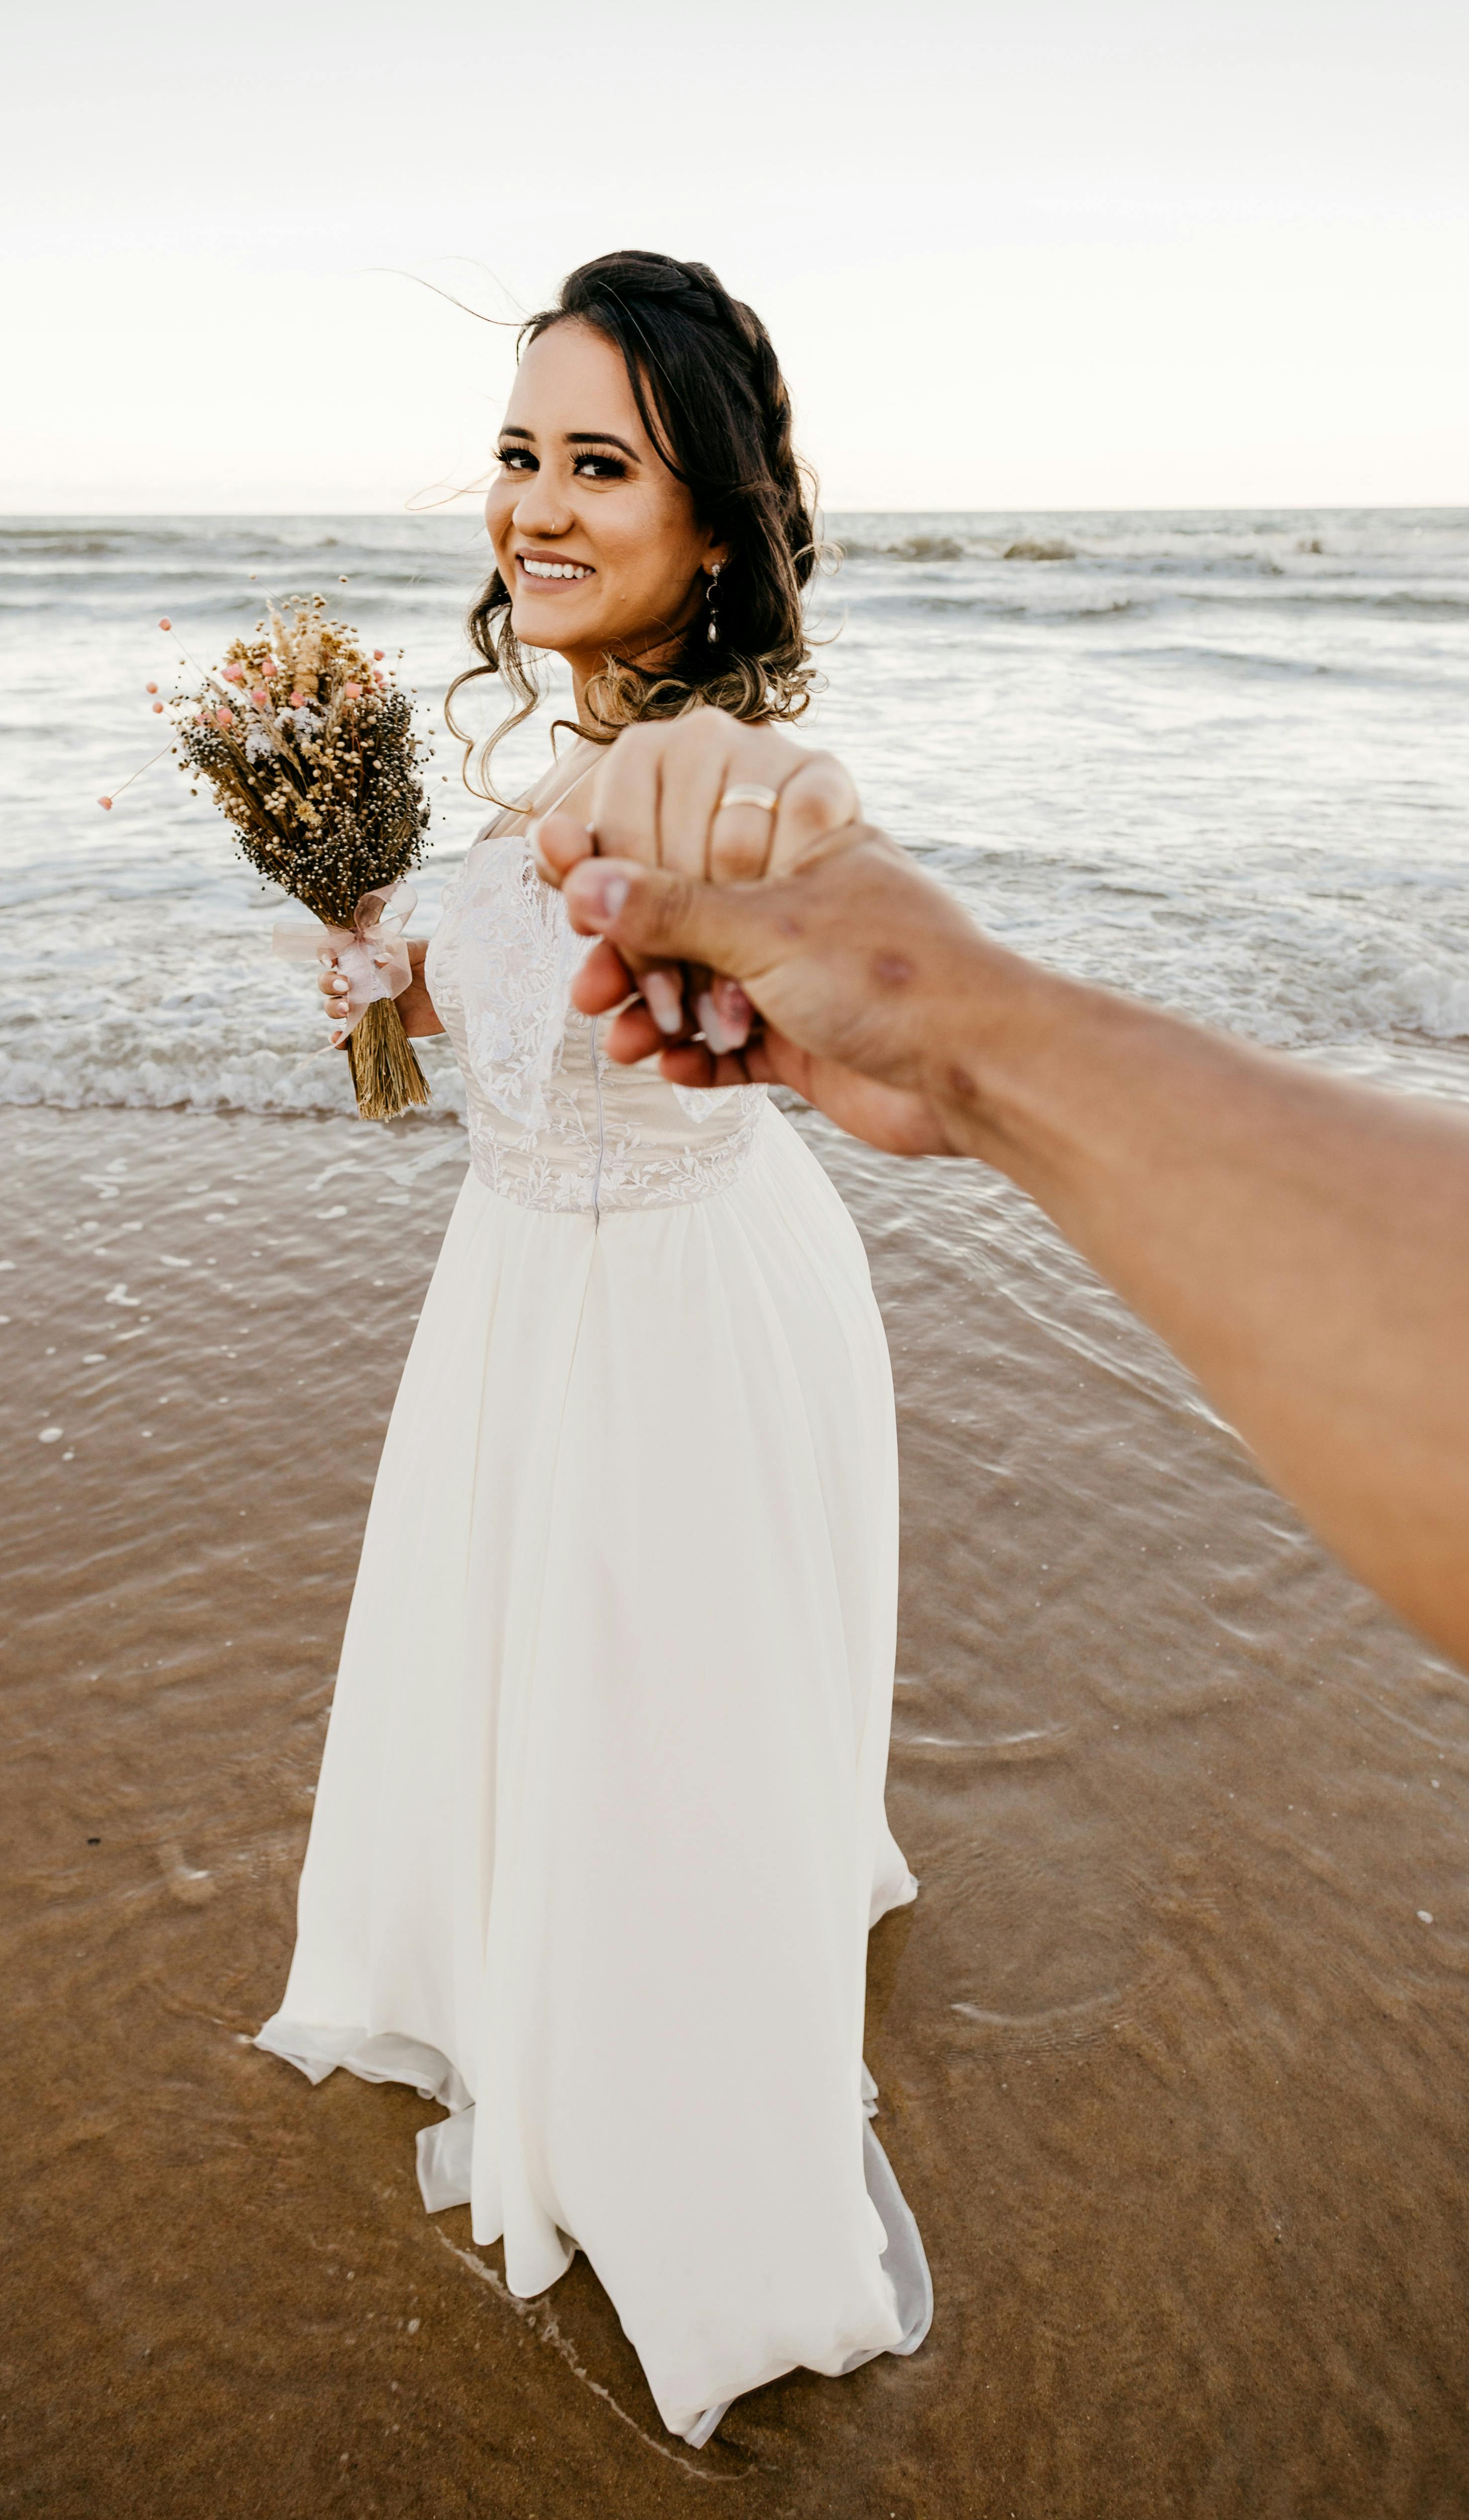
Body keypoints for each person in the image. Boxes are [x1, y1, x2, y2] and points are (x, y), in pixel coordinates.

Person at [255, 254, 932, 2448]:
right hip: (522, 1296)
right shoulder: (584, 743)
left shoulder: (726, 772)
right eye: (519, 454)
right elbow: (539, 1007)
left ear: (713, 522)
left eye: (599, 465)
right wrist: (398, 963)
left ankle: (676, 2125)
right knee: (546, 1689)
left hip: (674, 1322)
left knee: (661, 1723)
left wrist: (794, 926)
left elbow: (802, 877)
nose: (533, 506)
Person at [531, 711, 1469, 1669]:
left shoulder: (720, 783)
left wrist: (955, 1032)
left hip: (693, 1256)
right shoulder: (555, 767)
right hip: (513, 1266)